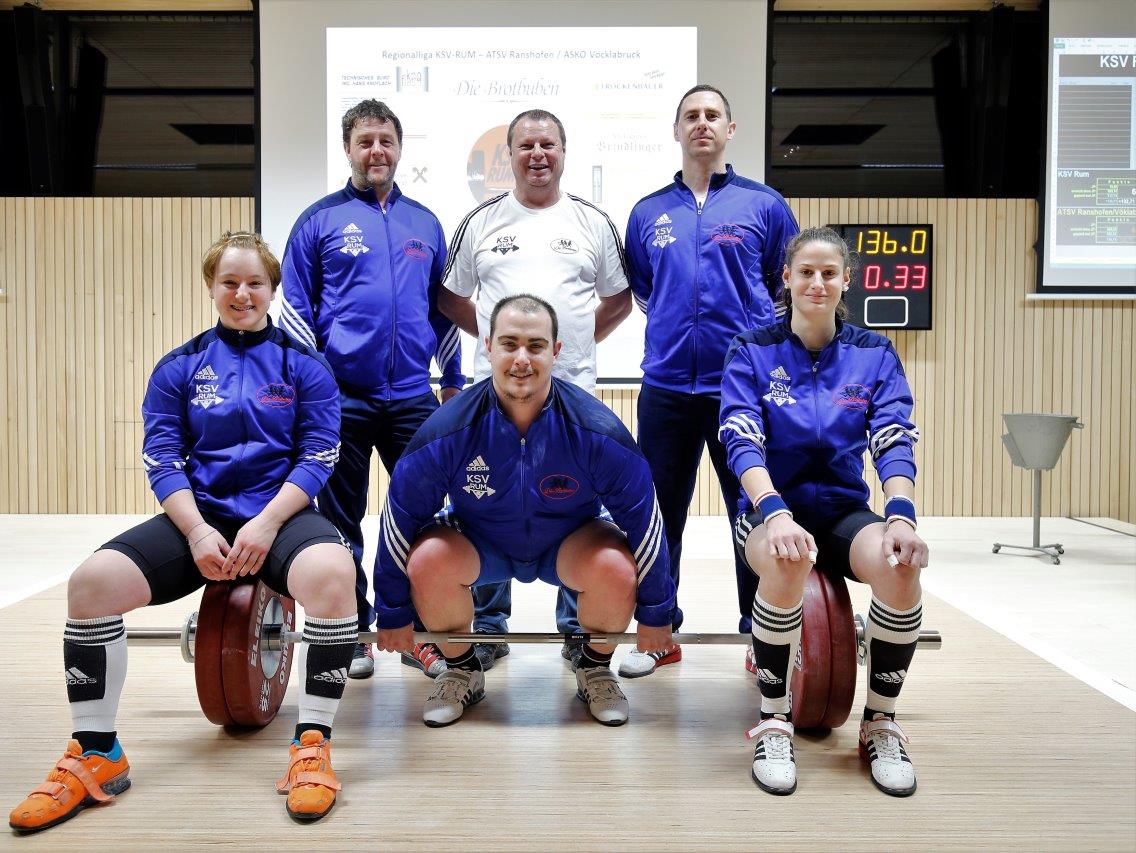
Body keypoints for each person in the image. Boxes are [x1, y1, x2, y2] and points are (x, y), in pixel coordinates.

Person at [8, 232, 358, 831]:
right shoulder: (180, 366)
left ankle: (312, 746)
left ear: (273, 289)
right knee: (91, 584)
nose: (242, 294)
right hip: (200, 516)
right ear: (210, 288)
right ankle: (97, 752)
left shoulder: (307, 367)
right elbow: (162, 458)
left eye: (255, 283)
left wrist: (267, 522)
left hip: (281, 515)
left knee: (332, 575)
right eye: (229, 282)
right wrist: (195, 532)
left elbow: (319, 454)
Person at [372, 295, 673, 727]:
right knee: (428, 558)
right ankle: (462, 670)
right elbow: (399, 518)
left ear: (556, 351)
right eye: (509, 344)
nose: (521, 359)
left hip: (569, 541)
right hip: (481, 540)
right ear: (488, 347)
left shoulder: (597, 429)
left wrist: (657, 612)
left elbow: (645, 522)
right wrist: (393, 610)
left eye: (535, 346)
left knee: (615, 565)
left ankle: (593, 669)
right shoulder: (448, 429)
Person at [718, 226, 928, 797]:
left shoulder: (873, 352)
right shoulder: (750, 349)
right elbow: (741, 438)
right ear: (786, 278)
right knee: (786, 562)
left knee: (900, 566)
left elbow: (893, 437)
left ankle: (880, 723)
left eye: (829, 273)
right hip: (769, 510)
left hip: (841, 510)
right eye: (806, 272)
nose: (817, 282)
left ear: (845, 281)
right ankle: (773, 721)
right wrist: (775, 512)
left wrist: (901, 517)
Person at [438, 109, 632, 668]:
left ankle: (577, 630)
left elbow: (619, 297)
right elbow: (450, 297)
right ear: (511, 156)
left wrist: (569, 345)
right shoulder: (481, 221)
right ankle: (487, 629)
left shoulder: (593, 221)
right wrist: (500, 346)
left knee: (577, 506)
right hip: (494, 398)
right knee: (484, 502)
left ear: (563, 153)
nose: (537, 155)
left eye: (548, 144)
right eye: (526, 146)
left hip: (575, 396)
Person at [621, 84, 800, 678]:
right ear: (677, 130)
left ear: (730, 129)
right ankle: (659, 631)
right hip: (667, 389)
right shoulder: (648, 212)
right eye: (691, 116)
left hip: (741, 392)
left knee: (751, 513)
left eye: (712, 115)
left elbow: (782, 288)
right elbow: (646, 290)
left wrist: (754, 354)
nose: (702, 124)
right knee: (658, 515)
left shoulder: (765, 205)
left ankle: (760, 633)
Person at [282, 99, 464, 681]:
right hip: (341, 399)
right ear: (348, 149)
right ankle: (355, 633)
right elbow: (294, 311)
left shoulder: (425, 223)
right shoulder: (319, 221)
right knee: (341, 521)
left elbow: (443, 310)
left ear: (400, 148)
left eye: (386, 140)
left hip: (411, 396)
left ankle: (415, 633)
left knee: (423, 516)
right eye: (365, 141)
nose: (376, 151)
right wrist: (317, 386)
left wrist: (452, 380)